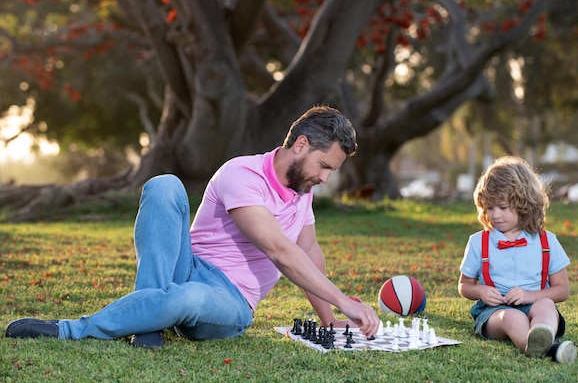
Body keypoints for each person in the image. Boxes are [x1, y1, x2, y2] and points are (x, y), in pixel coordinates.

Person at [5, 105, 380, 348]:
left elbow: (309, 252)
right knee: (164, 184)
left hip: (230, 302)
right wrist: (345, 300)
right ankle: (141, 325)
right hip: (188, 270)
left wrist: (330, 320)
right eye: (325, 167)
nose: (326, 178)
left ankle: (114, 324)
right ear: (300, 145)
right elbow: (279, 250)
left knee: (189, 298)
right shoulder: (242, 174)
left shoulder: (302, 190)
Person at [458, 156, 577, 364]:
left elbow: (562, 290)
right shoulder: (479, 242)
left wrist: (530, 296)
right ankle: (543, 349)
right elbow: (464, 285)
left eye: (502, 207)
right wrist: (481, 291)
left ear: (524, 204)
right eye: (489, 208)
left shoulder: (546, 242)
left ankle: (543, 335)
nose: (495, 215)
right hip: (494, 312)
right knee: (513, 317)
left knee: (546, 305)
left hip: (533, 305)